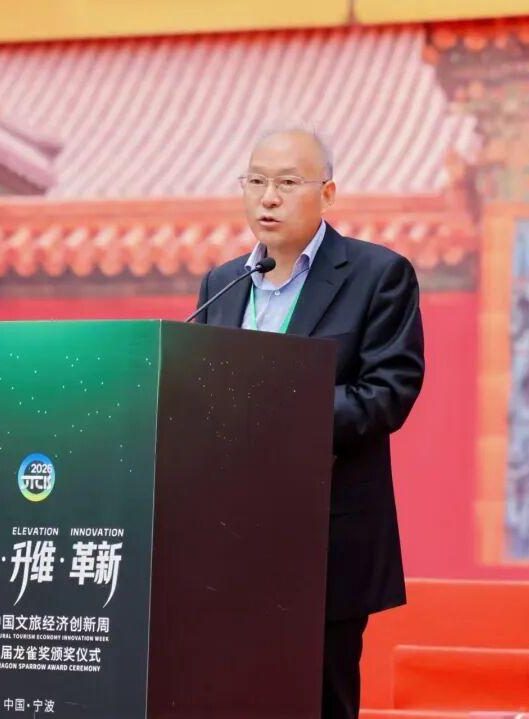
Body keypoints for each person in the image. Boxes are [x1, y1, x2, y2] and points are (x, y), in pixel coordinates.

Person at [193, 128, 425, 719]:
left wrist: (274, 414)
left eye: (287, 182)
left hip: (324, 540)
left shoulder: (379, 275)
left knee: (317, 701)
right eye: (256, 181)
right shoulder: (222, 284)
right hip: (228, 542)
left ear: (327, 193)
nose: (268, 197)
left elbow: (387, 394)